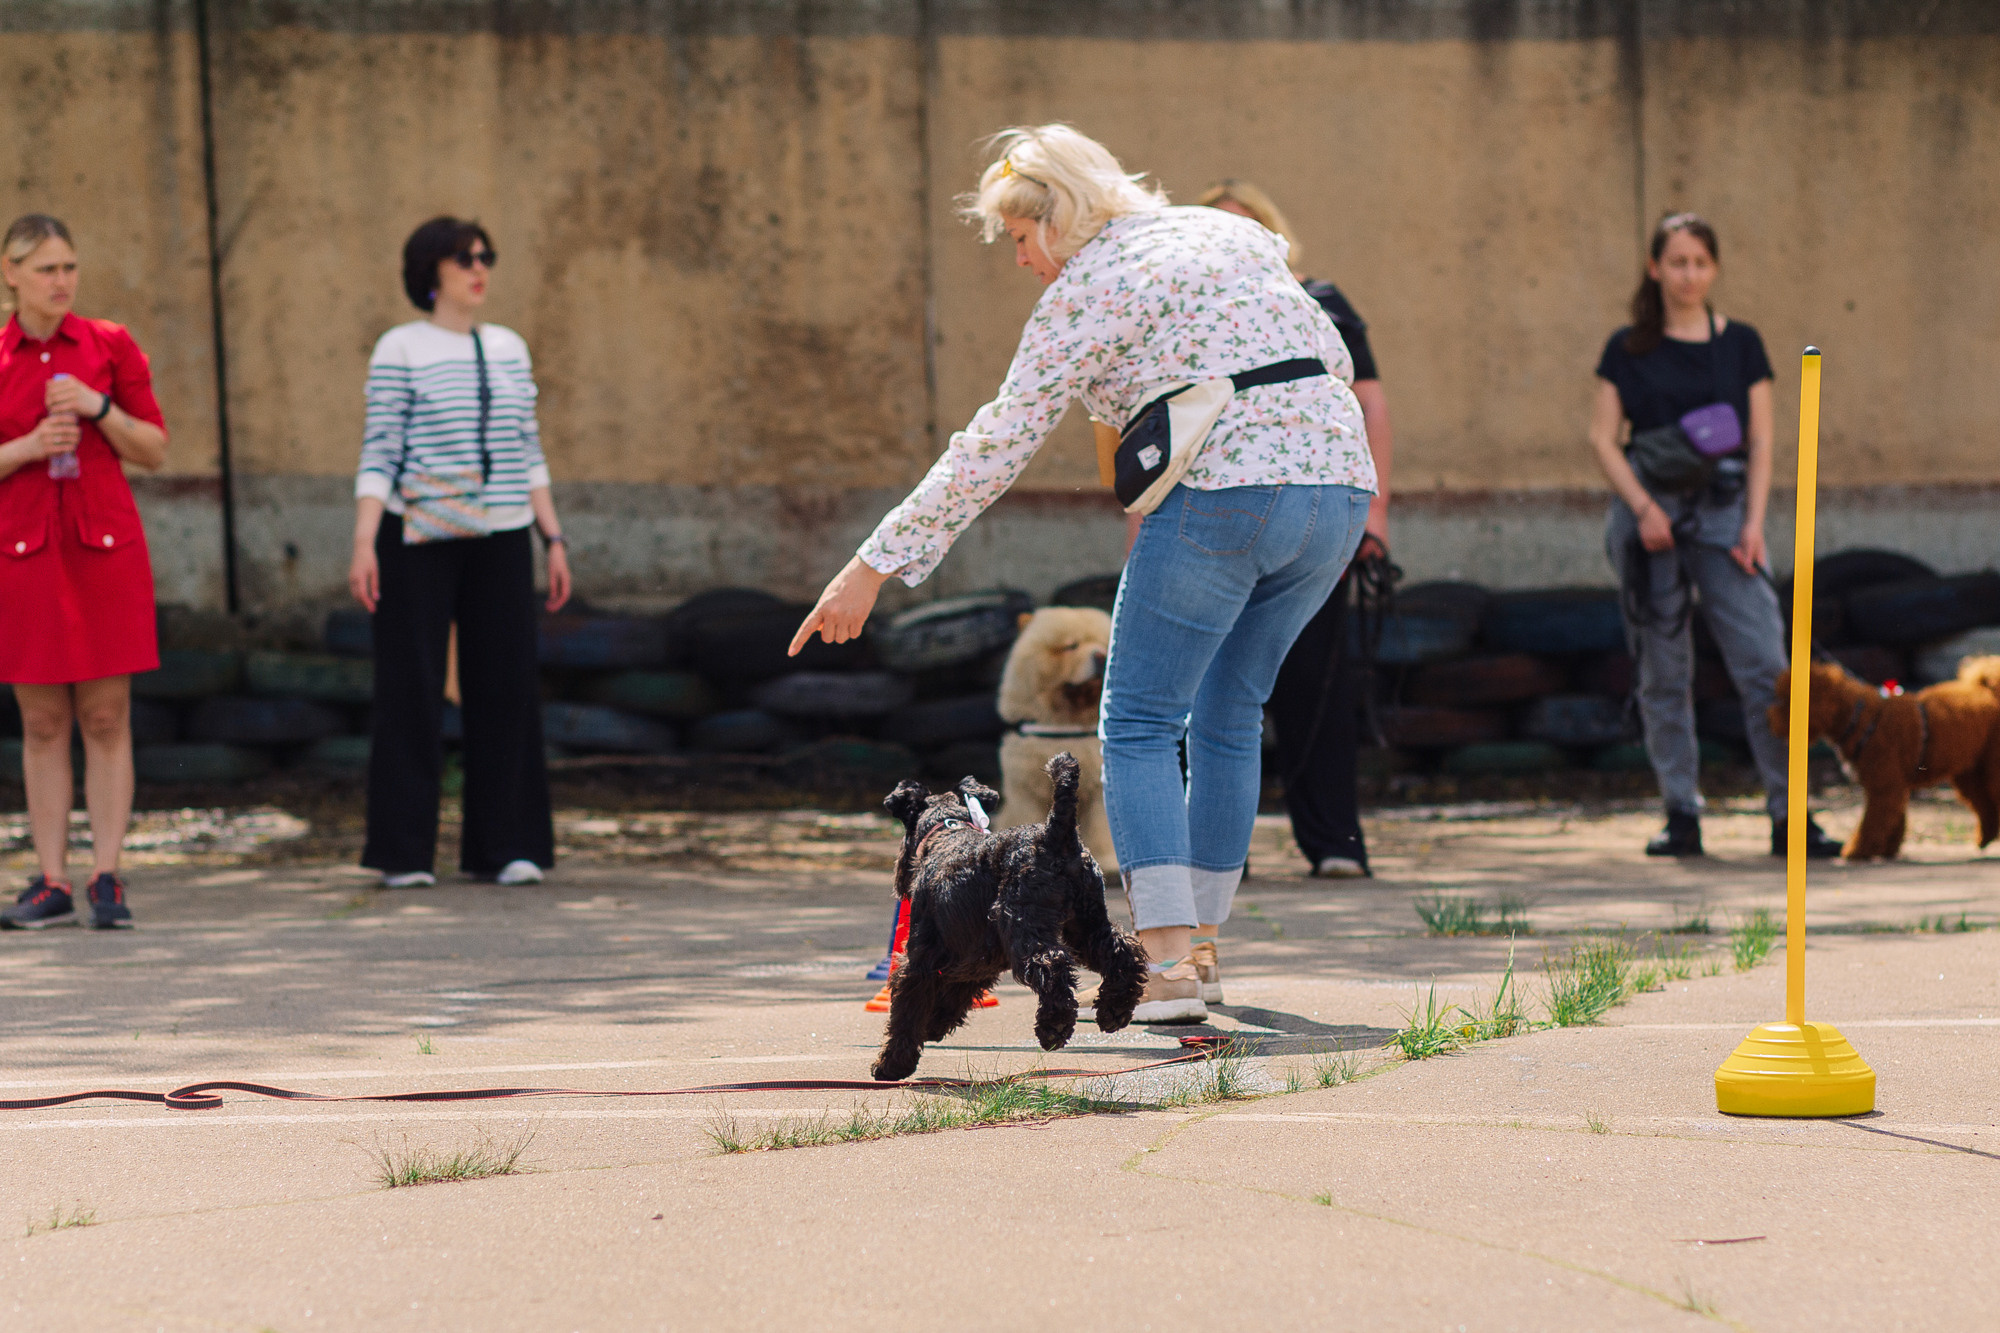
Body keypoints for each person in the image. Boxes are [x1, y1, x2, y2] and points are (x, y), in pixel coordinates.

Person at [788, 126, 1374, 1022]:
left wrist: (872, 565)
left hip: (1226, 491)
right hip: (1337, 488)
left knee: (1137, 718)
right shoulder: (1229, 233)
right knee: (1230, 709)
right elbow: (1332, 353)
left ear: (1057, 220)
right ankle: (1204, 949)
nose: (1022, 261)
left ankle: (1169, 965)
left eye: (1022, 240)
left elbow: (994, 443)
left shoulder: (1089, 286)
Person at [1588, 212, 1838, 859]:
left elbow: (1761, 438)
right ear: (1655, 269)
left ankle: (1791, 813)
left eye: (1700, 262)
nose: (1688, 274)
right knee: (1663, 670)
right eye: (1677, 262)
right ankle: (1681, 813)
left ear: (1714, 268)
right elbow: (1602, 439)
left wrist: (1755, 524)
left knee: (1766, 664)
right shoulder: (1627, 346)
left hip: (1728, 514)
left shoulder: (1741, 344)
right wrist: (1644, 509)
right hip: (1651, 518)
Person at [348, 217, 572, 887]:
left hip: (503, 532)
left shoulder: (508, 347)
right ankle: (404, 852)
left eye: (486, 256)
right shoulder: (400, 348)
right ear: (430, 272)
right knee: (410, 687)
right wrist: (364, 540)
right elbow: (380, 446)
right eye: (463, 258)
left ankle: (507, 845)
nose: (479, 268)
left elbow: (526, 447)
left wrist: (551, 537)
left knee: (505, 685)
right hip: (414, 532)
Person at [1197, 179, 1395, 880]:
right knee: (1211, 684)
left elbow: (1368, 406)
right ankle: (1223, 852)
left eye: (1246, 226)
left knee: (1318, 681)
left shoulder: (1322, 301)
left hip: (1316, 510)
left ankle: (1334, 838)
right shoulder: (1191, 312)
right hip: (1214, 517)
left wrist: (1373, 514)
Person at [0, 214, 170, 929]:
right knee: (41, 722)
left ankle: (107, 875)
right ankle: (51, 880)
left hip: (103, 551)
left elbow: (156, 447)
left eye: (69, 266)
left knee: (105, 715)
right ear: (11, 275)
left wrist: (101, 408)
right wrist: (29, 444)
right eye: (45, 269)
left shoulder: (109, 344)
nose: (61, 281)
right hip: (24, 555)